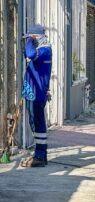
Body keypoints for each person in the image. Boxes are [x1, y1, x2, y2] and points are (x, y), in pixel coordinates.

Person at [21, 24, 52, 167]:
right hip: (32, 92)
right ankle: (39, 154)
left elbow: (30, 54)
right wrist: (27, 41)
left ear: (36, 38)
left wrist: (29, 41)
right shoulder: (40, 49)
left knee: (38, 123)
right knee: (35, 122)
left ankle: (40, 155)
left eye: (32, 38)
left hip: (37, 93)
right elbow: (26, 54)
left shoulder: (44, 50)